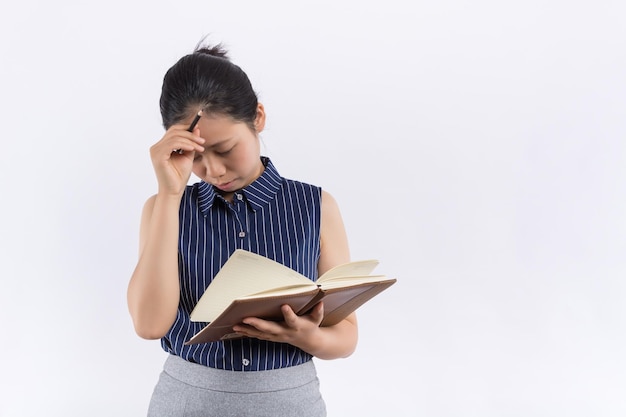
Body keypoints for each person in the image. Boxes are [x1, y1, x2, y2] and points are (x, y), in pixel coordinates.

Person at [127, 41, 358, 417]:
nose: (213, 170)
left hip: (290, 402)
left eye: (224, 148)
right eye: (194, 156)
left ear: (258, 117)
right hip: (186, 403)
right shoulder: (162, 209)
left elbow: (346, 335)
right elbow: (150, 325)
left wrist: (307, 336)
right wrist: (169, 196)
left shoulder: (317, 206)